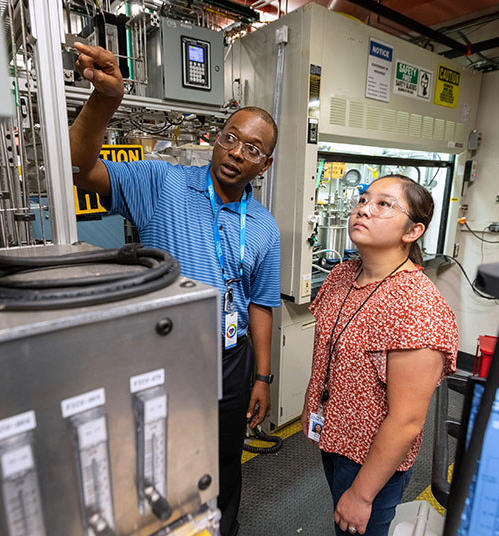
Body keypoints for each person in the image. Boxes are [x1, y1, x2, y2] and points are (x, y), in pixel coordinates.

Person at [69, 42, 281, 536]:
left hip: (231, 357)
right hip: (163, 355)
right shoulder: (159, 182)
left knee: (227, 457)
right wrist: (105, 102)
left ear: (264, 165)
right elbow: (80, 169)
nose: (236, 152)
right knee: (157, 454)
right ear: (216, 138)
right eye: (231, 138)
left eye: (252, 149)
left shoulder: (265, 225)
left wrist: (262, 378)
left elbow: (263, 303)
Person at [300, 175, 457, 536]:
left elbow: (406, 420)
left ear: (412, 232)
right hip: (335, 437)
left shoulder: (418, 308)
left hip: (372, 461)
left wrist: (362, 493)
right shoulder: (344, 274)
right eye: (364, 199)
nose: (364, 209)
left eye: (384, 204)